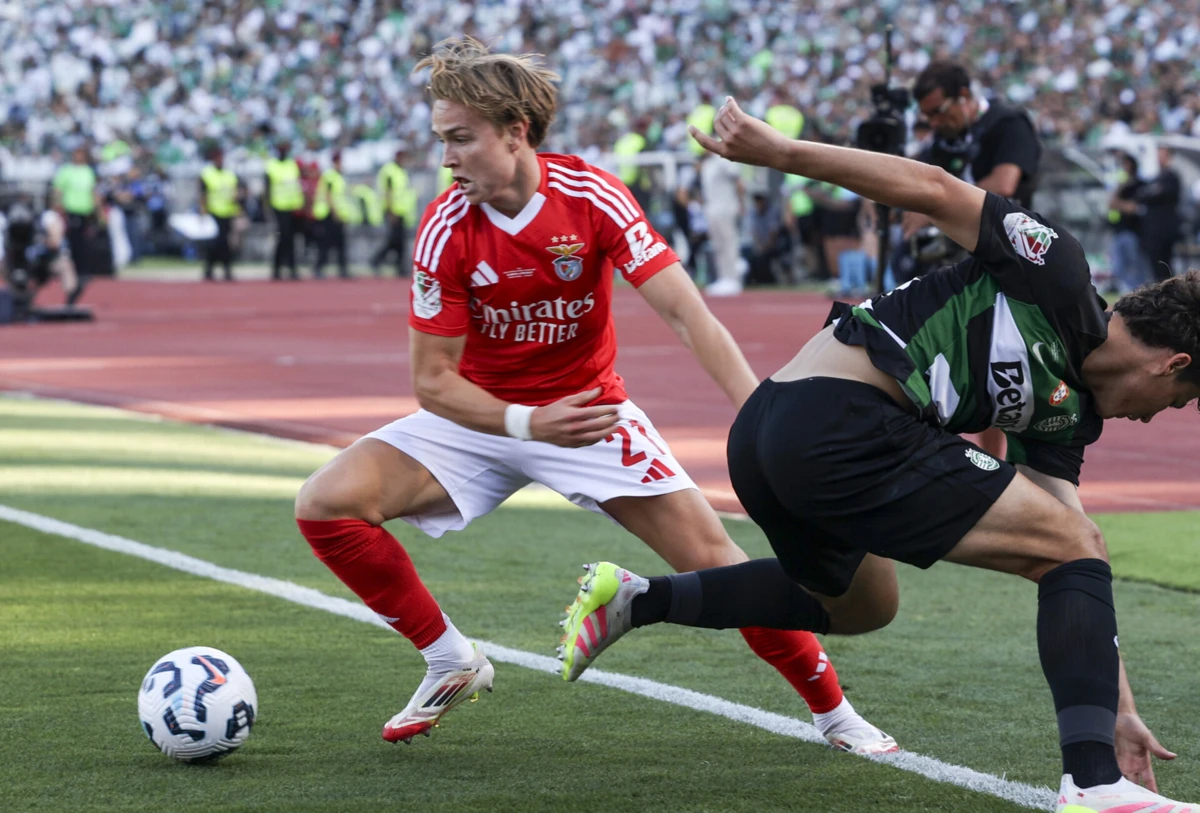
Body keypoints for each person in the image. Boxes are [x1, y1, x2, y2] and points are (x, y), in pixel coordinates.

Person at [558, 98, 1200, 813]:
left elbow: (1082, 550)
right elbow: (934, 188)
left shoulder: (1068, 417)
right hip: (839, 419)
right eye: (1176, 401)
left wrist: (1117, 707)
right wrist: (784, 154)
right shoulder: (1059, 273)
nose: (1155, 415)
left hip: (772, 434)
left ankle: (639, 599)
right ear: (1172, 364)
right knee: (1068, 547)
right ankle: (1091, 783)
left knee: (862, 604)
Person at [294, 38, 894, 755]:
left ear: (515, 132)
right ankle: (450, 658)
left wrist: (763, 409)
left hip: (589, 415)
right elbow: (432, 382)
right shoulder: (445, 228)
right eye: (441, 140)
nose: (446, 158)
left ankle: (835, 713)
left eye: (460, 138)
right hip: (482, 417)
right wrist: (526, 421)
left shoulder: (589, 196)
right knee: (325, 502)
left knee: (716, 559)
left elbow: (687, 314)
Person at [908, 61, 1044, 460]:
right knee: (968, 362)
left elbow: (1004, 184)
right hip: (962, 263)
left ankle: (1019, 463)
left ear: (965, 96)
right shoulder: (944, 139)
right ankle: (990, 463)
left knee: (1010, 365)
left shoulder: (1008, 123)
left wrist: (934, 203)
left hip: (1013, 260)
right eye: (928, 117)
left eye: (939, 111)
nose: (936, 123)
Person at [51, 145, 102, 281]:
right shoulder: (66, 171)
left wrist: (98, 210)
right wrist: (58, 207)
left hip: (86, 212)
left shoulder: (88, 171)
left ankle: (83, 269)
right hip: (71, 211)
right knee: (73, 242)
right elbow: (58, 191)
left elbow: (93, 191)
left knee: (84, 242)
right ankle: (73, 269)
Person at [699, 150, 745, 297]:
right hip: (712, 209)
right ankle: (723, 277)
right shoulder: (707, 164)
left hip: (726, 208)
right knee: (718, 246)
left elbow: (738, 182)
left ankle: (733, 278)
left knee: (729, 243)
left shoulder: (723, 161)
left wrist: (741, 203)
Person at [1134, 145, 1182, 283]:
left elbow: (1154, 194)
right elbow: (1142, 194)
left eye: (1163, 155)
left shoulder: (1171, 177)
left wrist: (1147, 194)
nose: (1160, 158)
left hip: (1164, 231)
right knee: (1155, 266)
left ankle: (1168, 292)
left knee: (1164, 266)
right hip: (1152, 231)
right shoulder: (1156, 178)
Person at [1106, 152, 1149, 295]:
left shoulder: (1140, 185)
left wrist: (1119, 204)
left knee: (1136, 265)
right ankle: (1133, 292)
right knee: (1118, 267)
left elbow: (1133, 208)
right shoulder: (1122, 185)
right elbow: (1111, 203)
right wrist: (1120, 187)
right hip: (1118, 231)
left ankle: (1140, 293)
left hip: (1133, 232)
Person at [372, 147, 417, 277]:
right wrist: (390, 211)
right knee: (393, 240)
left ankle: (399, 265)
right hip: (393, 211)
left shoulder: (400, 171)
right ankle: (377, 260)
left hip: (401, 211)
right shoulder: (390, 171)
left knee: (400, 240)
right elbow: (388, 192)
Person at [198, 147, 240, 282]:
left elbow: (236, 192)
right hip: (213, 213)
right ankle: (209, 269)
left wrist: (237, 209)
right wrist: (203, 211)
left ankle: (227, 269)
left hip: (227, 212)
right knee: (214, 243)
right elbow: (203, 194)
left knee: (225, 243)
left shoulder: (230, 175)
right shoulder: (207, 174)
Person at [265, 141, 305, 281]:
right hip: (279, 207)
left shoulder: (292, 165)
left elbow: (297, 185)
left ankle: (291, 268)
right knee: (282, 237)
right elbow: (267, 188)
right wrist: (268, 208)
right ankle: (277, 268)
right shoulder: (271, 165)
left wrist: (300, 203)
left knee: (291, 239)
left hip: (293, 207)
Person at [312, 151, 351, 280]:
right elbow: (328, 195)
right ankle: (319, 268)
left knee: (340, 243)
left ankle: (342, 268)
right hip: (329, 214)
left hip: (336, 214)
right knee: (326, 243)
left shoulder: (338, 177)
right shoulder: (330, 176)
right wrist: (335, 212)